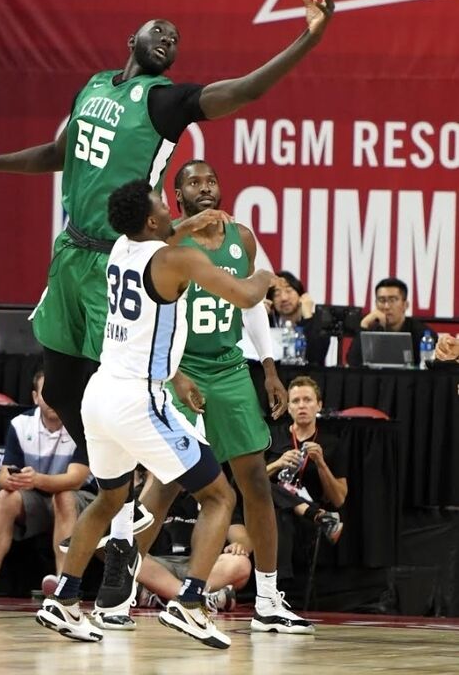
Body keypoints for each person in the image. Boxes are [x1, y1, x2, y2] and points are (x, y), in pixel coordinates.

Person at [0, 0, 335, 609]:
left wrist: (307, 37)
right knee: (70, 393)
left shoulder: (164, 102)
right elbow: (60, 151)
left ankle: (116, 569)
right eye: (160, 30)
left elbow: (245, 90)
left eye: (177, 39)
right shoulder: (94, 87)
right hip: (68, 255)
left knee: (128, 408)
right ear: (131, 40)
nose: (170, 38)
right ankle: (102, 537)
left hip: (113, 260)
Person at [35, 179, 276, 648]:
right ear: (151, 220)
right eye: (162, 206)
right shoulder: (176, 259)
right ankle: (189, 602)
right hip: (139, 399)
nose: (169, 208)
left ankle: (64, 598)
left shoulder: (124, 245)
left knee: (109, 499)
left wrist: (189, 223)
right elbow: (246, 297)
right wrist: (266, 275)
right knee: (219, 497)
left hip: (99, 394)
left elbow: (161, 237)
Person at [158, 159, 313, 634]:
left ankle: (267, 598)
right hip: (180, 372)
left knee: (256, 484)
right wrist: (174, 370)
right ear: (178, 195)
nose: (205, 187)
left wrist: (268, 368)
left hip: (228, 369)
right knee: (163, 485)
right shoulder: (166, 241)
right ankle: (115, 593)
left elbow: (252, 306)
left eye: (211, 180)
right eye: (193, 182)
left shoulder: (241, 238)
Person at [0, 371, 95, 599]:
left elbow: (76, 478)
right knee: (6, 496)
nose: (53, 398)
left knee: (63, 495)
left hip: (81, 501)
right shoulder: (20, 424)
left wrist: (37, 479)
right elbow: (4, 473)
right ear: (35, 397)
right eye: (47, 393)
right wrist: (11, 480)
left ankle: (64, 579)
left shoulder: (82, 425)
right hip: (37, 498)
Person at [266, 376, 348, 578]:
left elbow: (339, 499)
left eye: (308, 400)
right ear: (289, 407)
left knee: (280, 510)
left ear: (319, 405)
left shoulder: (331, 443)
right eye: (295, 401)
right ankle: (318, 515)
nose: (302, 406)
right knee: (267, 492)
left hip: (306, 521)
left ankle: (277, 588)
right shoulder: (273, 436)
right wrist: (278, 463)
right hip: (269, 510)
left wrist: (320, 463)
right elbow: (250, 479)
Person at [137, 482, 252, 612]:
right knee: (128, 557)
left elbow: (242, 538)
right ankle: (198, 599)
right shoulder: (149, 493)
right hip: (158, 567)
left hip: (203, 569)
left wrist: (239, 545)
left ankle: (162, 595)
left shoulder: (216, 495)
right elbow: (132, 536)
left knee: (241, 564)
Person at [346, 277, 437, 367]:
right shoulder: (371, 331)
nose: (386, 307)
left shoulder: (422, 334)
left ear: (405, 305)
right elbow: (353, 363)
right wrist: (364, 325)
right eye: (381, 300)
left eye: (392, 300)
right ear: (375, 303)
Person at [265, 271, 329, 365]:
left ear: (301, 294)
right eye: (277, 294)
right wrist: (257, 318)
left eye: (288, 291)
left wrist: (308, 318)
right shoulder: (267, 323)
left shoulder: (317, 322)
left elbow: (316, 358)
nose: (284, 298)